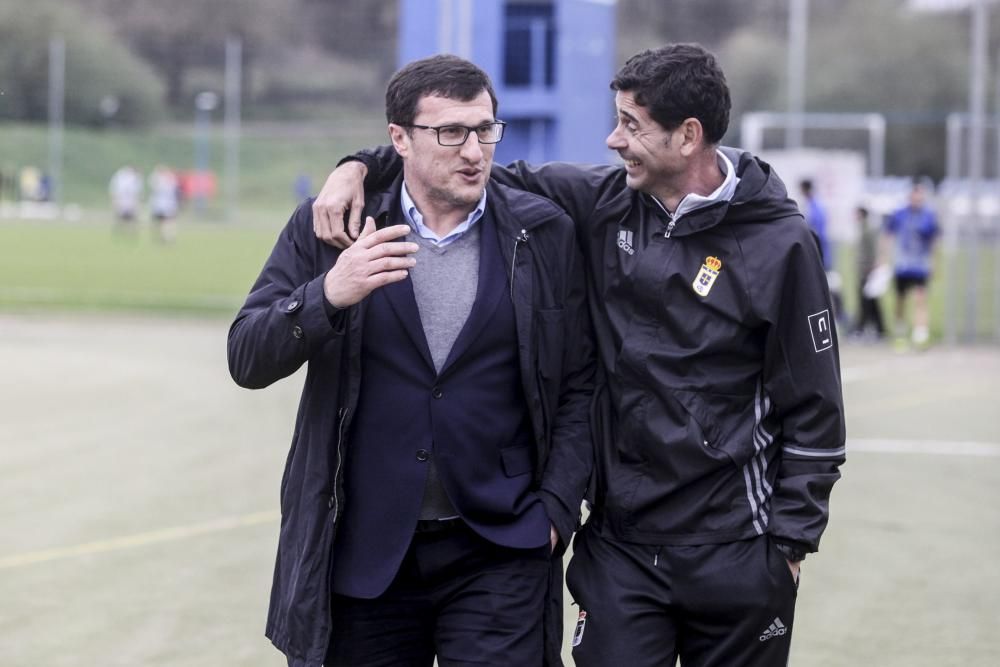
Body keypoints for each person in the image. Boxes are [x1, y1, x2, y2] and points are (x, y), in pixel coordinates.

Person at [314, 43, 846, 667]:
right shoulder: (601, 201)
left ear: (688, 136)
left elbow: (815, 407)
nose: (613, 139)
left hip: (739, 549)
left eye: (631, 125)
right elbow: (459, 165)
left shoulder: (780, 243)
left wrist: (789, 544)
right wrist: (356, 166)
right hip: (618, 546)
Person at [228, 54, 593, 667]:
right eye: (451, 133)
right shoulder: (332, 226)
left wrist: (555, 508)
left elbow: (582, 384)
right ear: (399, 139)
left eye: (485, 129)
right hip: (362, 554)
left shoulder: (544, 232)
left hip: (501, 547)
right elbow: (247, 356)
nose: (474, 150)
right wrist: (328, 295)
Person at [881, 181, 939, 349]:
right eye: (915, 194)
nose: (917, 198)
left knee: (921, 298)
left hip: (920, 265)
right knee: (900, 299)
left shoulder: (928, 216)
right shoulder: (899, 214)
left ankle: (920, 334)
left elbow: (934, 241)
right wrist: (884, 258)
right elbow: (888, 235)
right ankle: (900, 332)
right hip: (902, 265)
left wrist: (934, 263)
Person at [851, 205, 886, 339]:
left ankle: (865, 329)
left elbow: (872, 250)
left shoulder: (868, 229)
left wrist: (871, 268)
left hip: (867, 271)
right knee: (868, 301)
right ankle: (876, 329)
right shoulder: (861, 228)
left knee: (867, 301)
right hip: (862, 270)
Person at [148, 165, 179, 242]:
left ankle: (166, 237)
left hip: (163, 205)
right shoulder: (168, 180)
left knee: (166, 222)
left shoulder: (163, 180)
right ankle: (166, 237)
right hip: (164, 204)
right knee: (164, 222)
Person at [109, 165, 144, 233]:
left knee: (130, 218)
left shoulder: (134, 178)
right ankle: (122, 232)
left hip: (129, 201)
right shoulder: (124, 177)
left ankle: (128, 232)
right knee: (123, 218)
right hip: (124, 201)